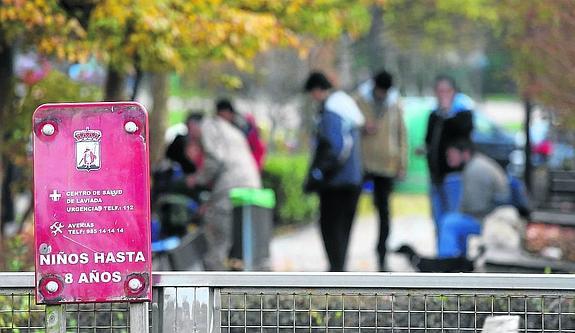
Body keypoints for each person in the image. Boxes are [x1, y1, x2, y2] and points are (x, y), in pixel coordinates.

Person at [397, 139, 510, 272]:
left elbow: (476, 207)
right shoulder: (477, 164)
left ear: (464, 153)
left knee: (449, 223)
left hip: (492, 220)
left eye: (451, 155)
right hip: (492, 216)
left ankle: (446, 266)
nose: (448, 159)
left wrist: (460, 212)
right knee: (455, 220)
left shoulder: (475, 170)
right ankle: (458, 263)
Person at [187, 101, 261, 270]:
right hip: (251, 183)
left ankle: (216, 278)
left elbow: (214, 160)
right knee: (241, 233)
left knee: (217, 232)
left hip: (231, 184)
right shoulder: (229, 129)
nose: (191, 137)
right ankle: (243, 272)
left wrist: (197, 179)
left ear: (193, 125)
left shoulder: (207, 127)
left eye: (190, 132)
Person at [303, 71, 364, 272]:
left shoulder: (331, 111)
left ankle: (335, 270)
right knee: (345, 227)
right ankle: (340, 269)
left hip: (335, 182)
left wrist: (319, 172)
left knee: (330, 226)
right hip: (353, 179)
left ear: (318, 90)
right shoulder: (347, 108)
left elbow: (335, 147)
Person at [354, 70, 407, 271]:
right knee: (351, 210)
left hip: (387, 165)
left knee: (384, 213)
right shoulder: (359, 100)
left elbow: (402, 133)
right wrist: (362, 127)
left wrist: (402, 163)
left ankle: (382, 255)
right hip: (364, 163)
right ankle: (340, 258)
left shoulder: (395, 103)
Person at [424, 75, 474, 244]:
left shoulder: (463, 114)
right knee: (438, 221)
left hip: (454, 178)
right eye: (439, 91)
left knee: (453, 220)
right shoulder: (433, 116)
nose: (442, 95)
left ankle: (458, 262)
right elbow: (429, 141)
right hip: (435, 176)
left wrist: (447, 112)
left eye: (446, 91)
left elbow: (464, 135)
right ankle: (441, 262)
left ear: (454, 92)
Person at [214, 99, 267, 172]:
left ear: (228, 112)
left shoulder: (241, 126)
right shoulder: (233, 125)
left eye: (220, 115)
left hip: (247, 166)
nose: (219, 119)